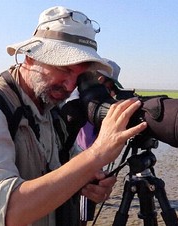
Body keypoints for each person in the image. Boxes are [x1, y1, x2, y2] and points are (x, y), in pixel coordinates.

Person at [0, 6, 147, 226]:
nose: (70, 85)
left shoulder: (51, 110)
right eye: (64, 69)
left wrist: (90, 180)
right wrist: (97, 154)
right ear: (30, 58)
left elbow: (71, 166)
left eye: (80, 76)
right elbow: (9, 212)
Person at [76, 59, 123, 226]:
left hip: (95, 164)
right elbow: (86, 141)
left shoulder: (93, 107)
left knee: (87, 209)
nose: (111, 93)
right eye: (110, 87)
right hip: (83, 164)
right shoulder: (86, 108)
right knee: (82, 213)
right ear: (101, 80)